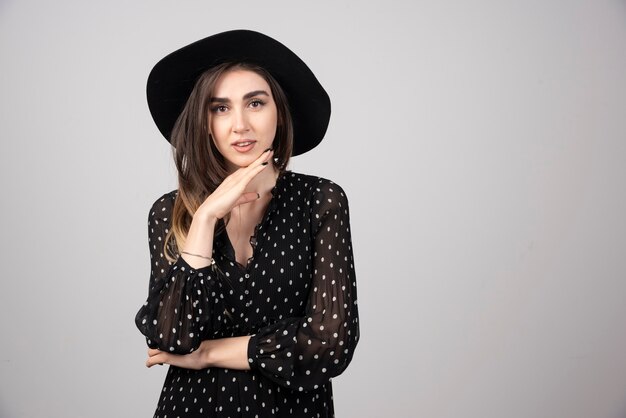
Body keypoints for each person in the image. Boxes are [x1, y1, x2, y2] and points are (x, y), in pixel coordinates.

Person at [135, 29, 359, 418]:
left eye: (255, 103)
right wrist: (204, 220)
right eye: (220, 108)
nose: (239, 125)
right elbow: (169, 336)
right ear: (204, 122)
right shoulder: (169, 212)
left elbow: (330, 343)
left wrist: (207, 354)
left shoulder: (320, 201)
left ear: (279, 112)